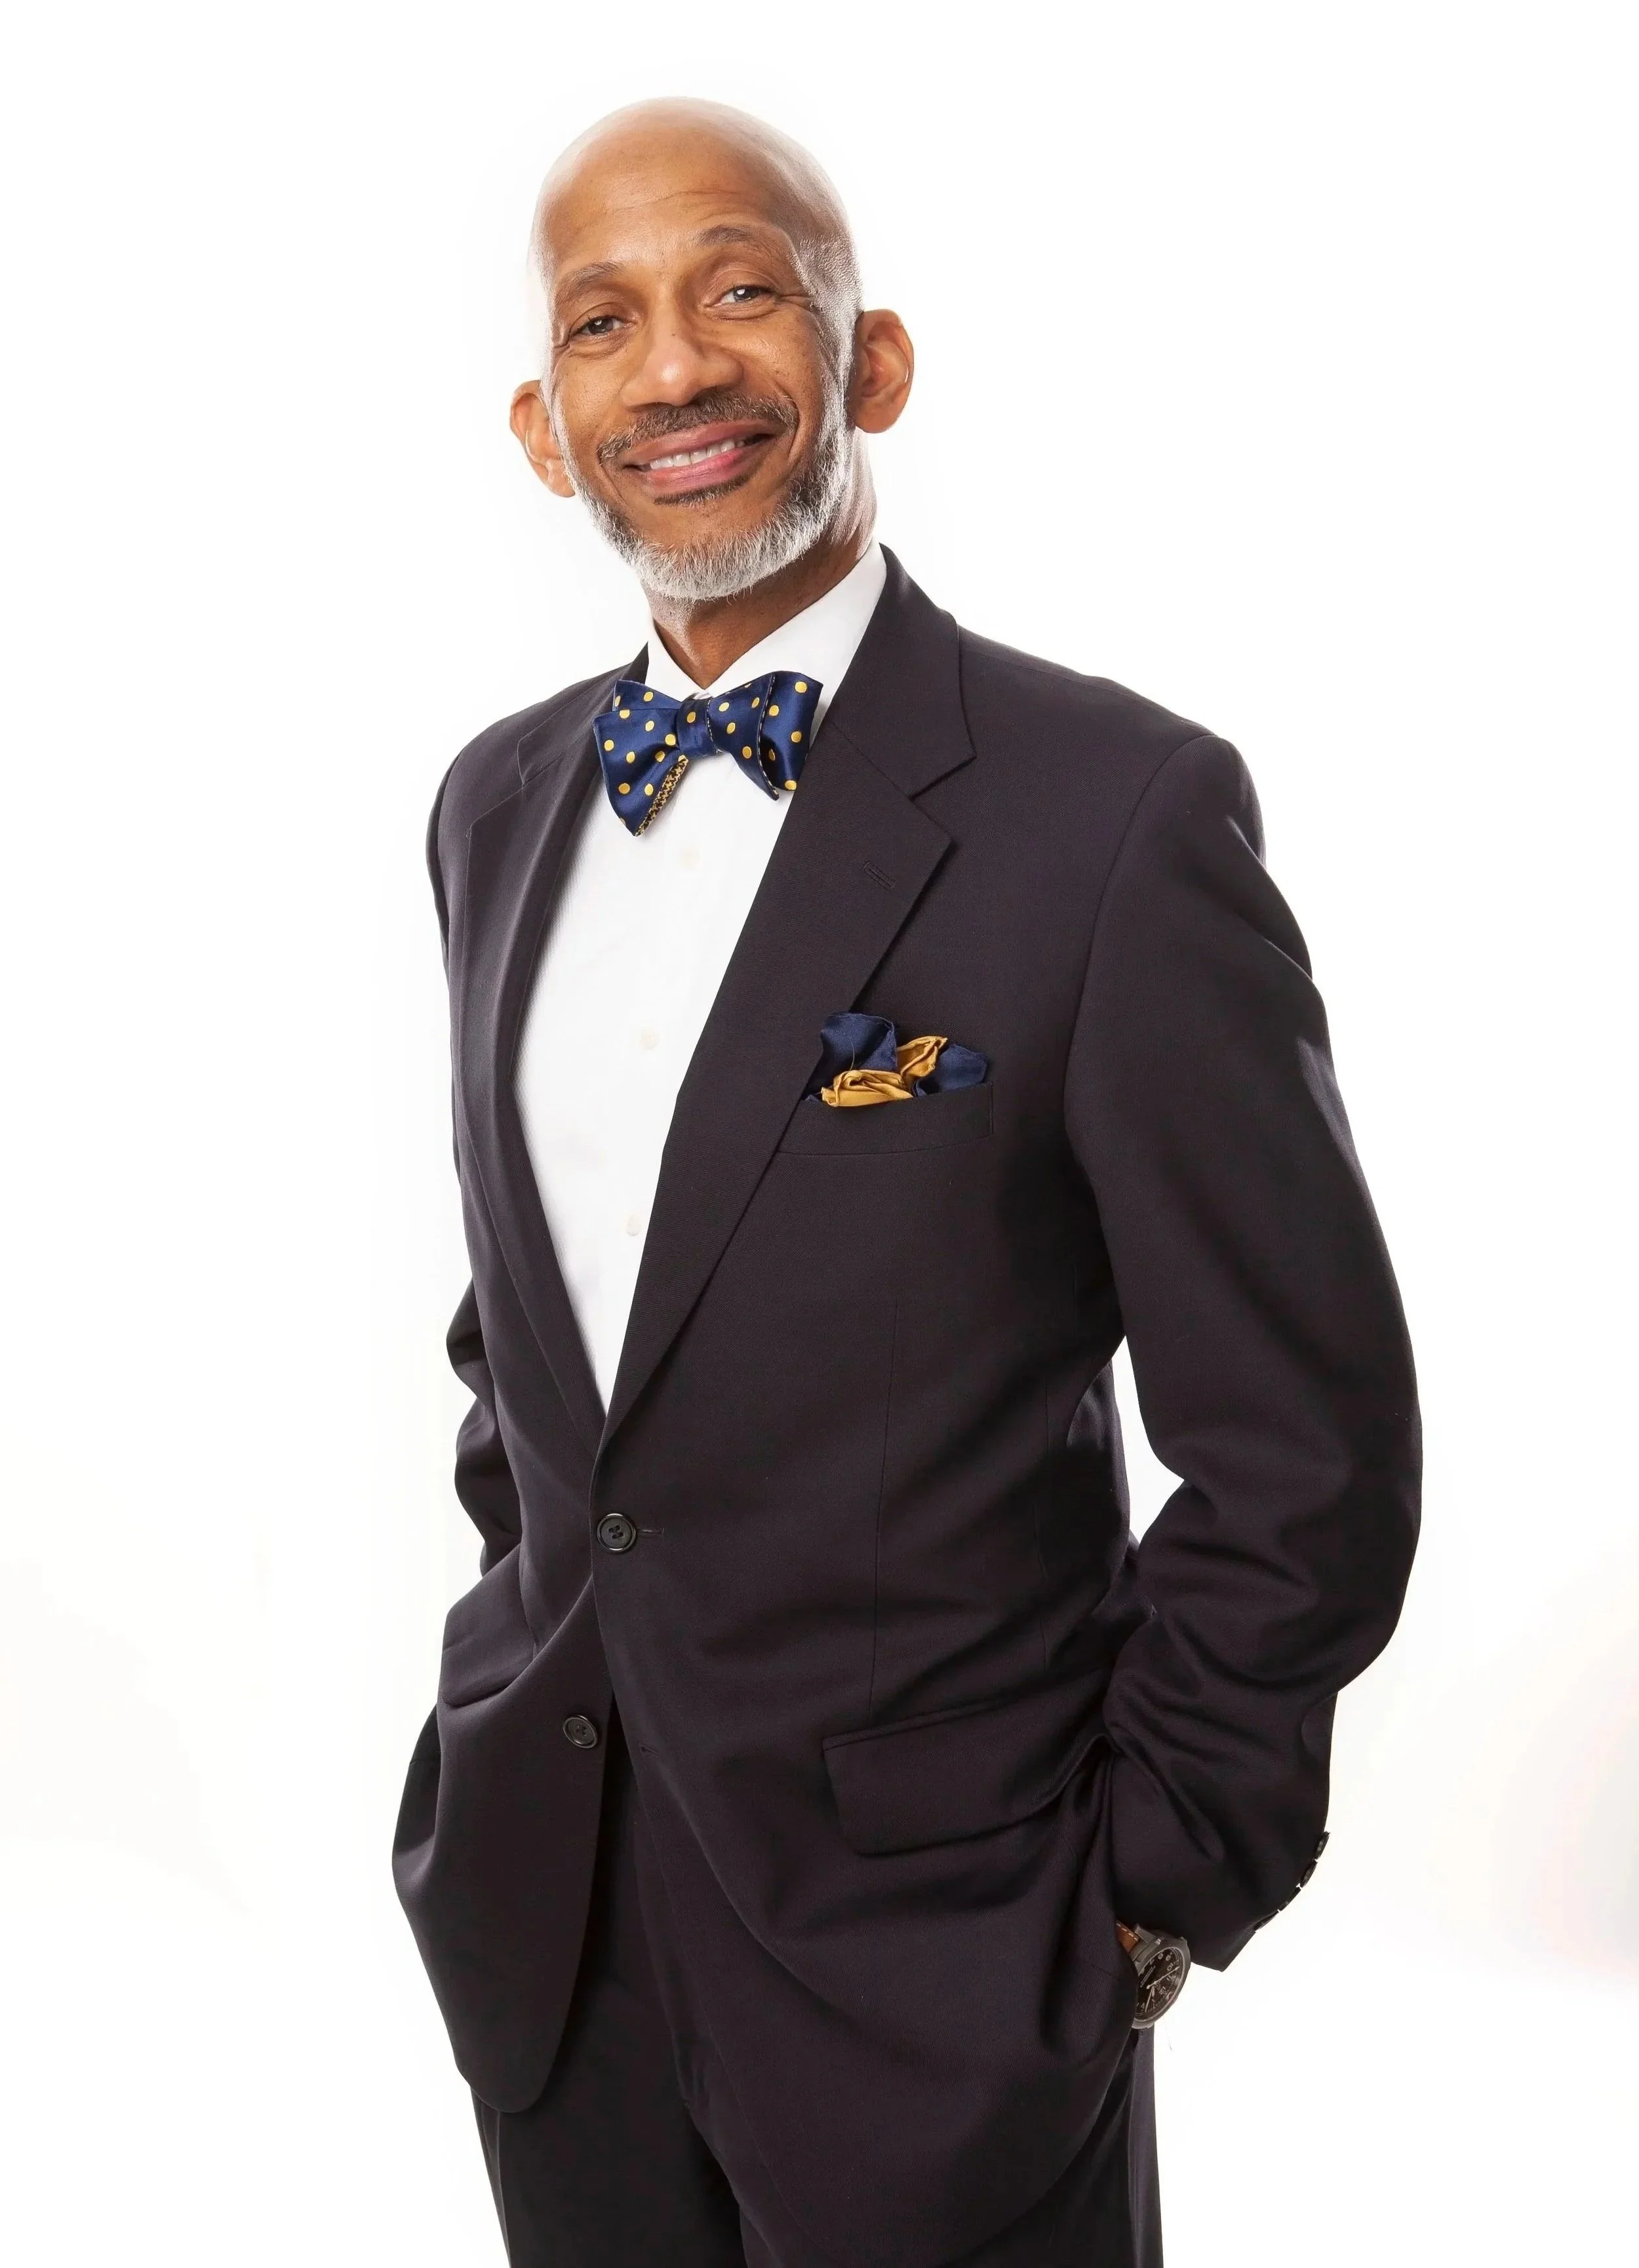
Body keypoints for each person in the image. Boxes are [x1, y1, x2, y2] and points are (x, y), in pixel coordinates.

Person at [393, 98, 1421, 2268]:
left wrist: (1144, 1895)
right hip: (554, 1923)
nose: (673, 368)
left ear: (869, 364)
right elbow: (544, 1335)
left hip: (957, 1959)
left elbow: (1304, 1448)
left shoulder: (1112, 820)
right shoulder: (493, 809)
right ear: (538, 419)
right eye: (604, 322)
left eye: (741, 288)